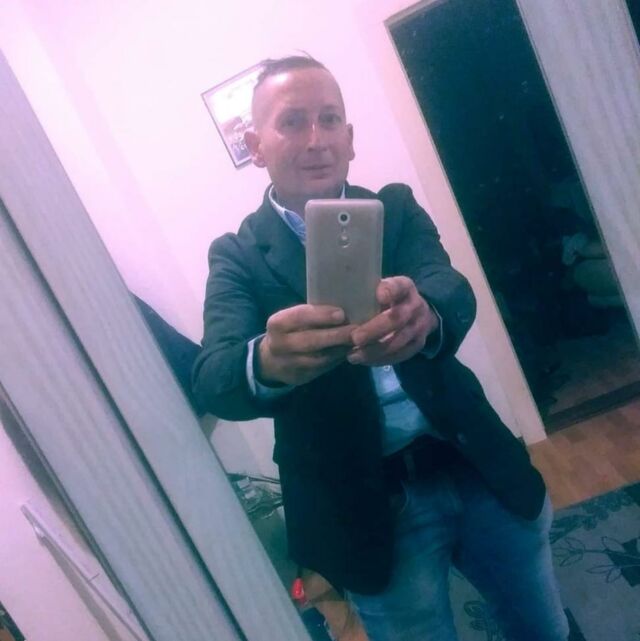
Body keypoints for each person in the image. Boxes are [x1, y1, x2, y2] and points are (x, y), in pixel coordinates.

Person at [192, 55, 569, 641]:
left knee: (543, 627)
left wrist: (427, 312)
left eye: (329, 119)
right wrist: (267, 361)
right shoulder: (236, 255)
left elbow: (449, 285)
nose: (316, 139)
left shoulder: (394, 209)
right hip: (366, 510)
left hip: (475, 466)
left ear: (350, 138)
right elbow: (213, 375)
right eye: (292, 121)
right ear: (256, 145)